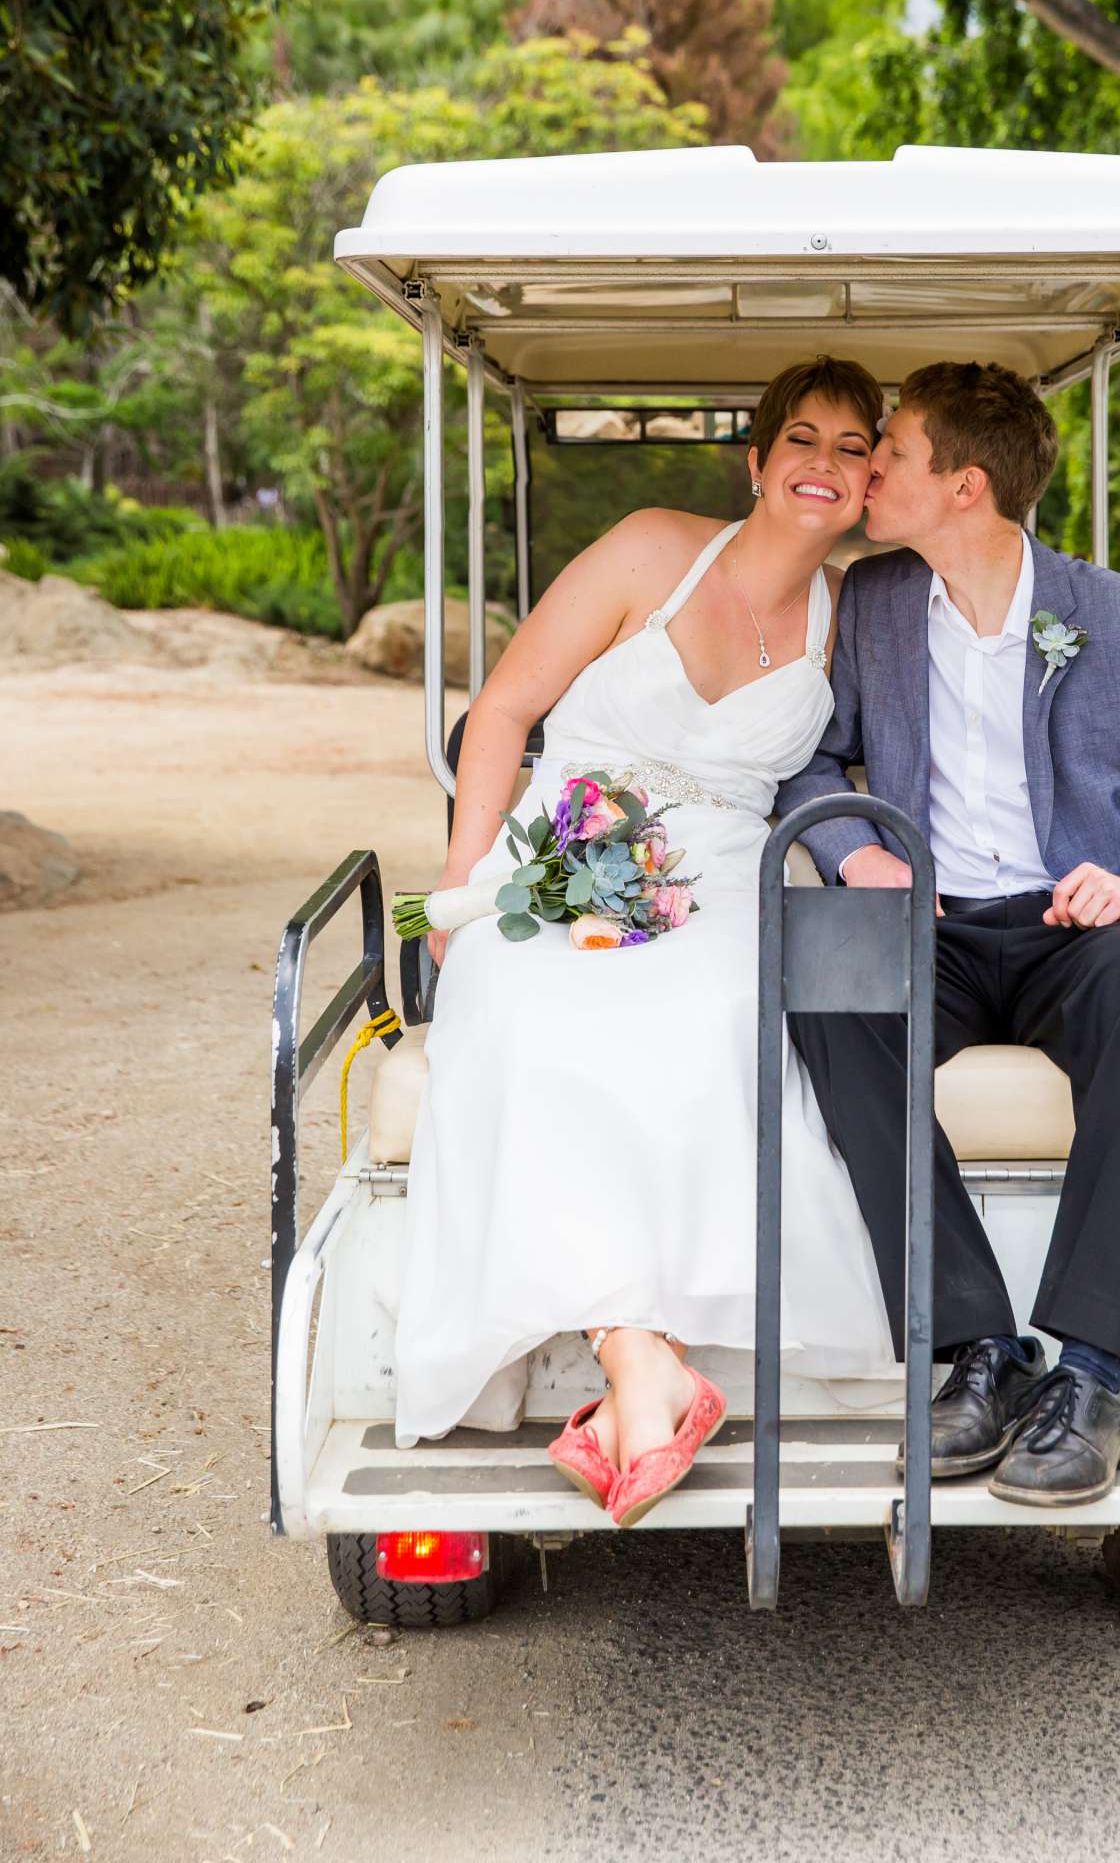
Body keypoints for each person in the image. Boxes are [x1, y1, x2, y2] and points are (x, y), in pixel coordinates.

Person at [393, 357, 896, 1528]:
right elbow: (507, 711)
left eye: (851, 448)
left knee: (722, 1014)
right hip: (564, 841)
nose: (824, 466)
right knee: (522, 1008)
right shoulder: (646, 546)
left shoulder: (859, 609)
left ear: (873, 480)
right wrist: (462, 882)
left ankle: (635, 1374)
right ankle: (643, 1362)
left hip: (727, 871)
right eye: (802, 441)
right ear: (758, 461)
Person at [778, 360, 1120, 1506]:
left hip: (1078, 925)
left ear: (963, 487)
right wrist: (860, 857)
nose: (869, 473)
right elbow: (810, 756)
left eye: (889, 453)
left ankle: (1091, 1380)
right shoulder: (873, 603)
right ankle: (978, 1352)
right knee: (829, 990)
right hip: (935, 921)